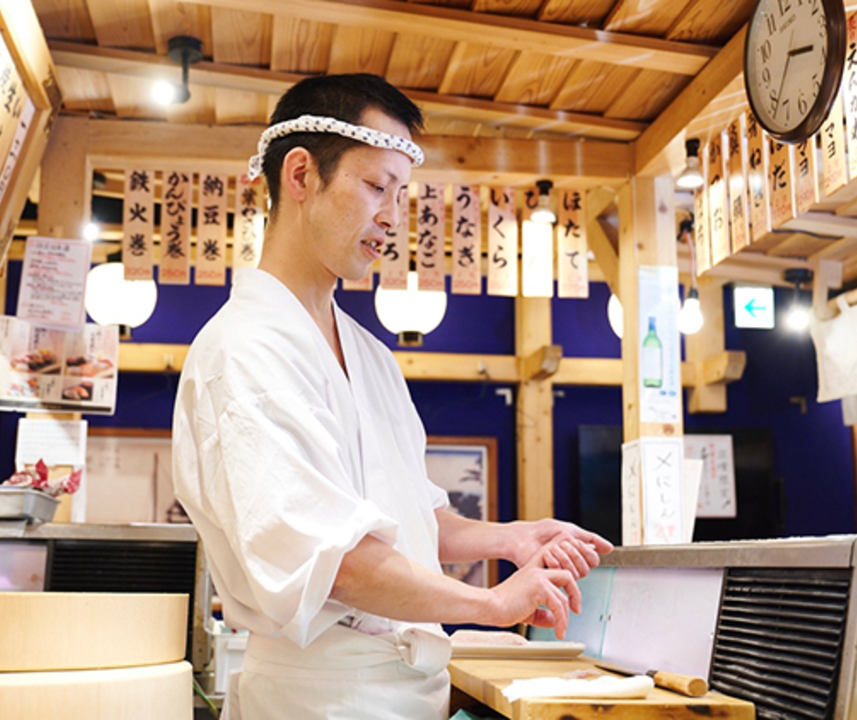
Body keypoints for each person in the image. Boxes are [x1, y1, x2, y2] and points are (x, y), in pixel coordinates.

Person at [171, 73, 613, 720]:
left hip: (411, 690)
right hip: (322, 696)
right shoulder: (245, 349)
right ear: (300, 176)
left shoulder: (370, 354)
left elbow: (414, 519)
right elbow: (338, 562)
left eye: (401, 194)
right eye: (377, 186)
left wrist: (510, 539)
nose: (392, 217)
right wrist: (492, 606)